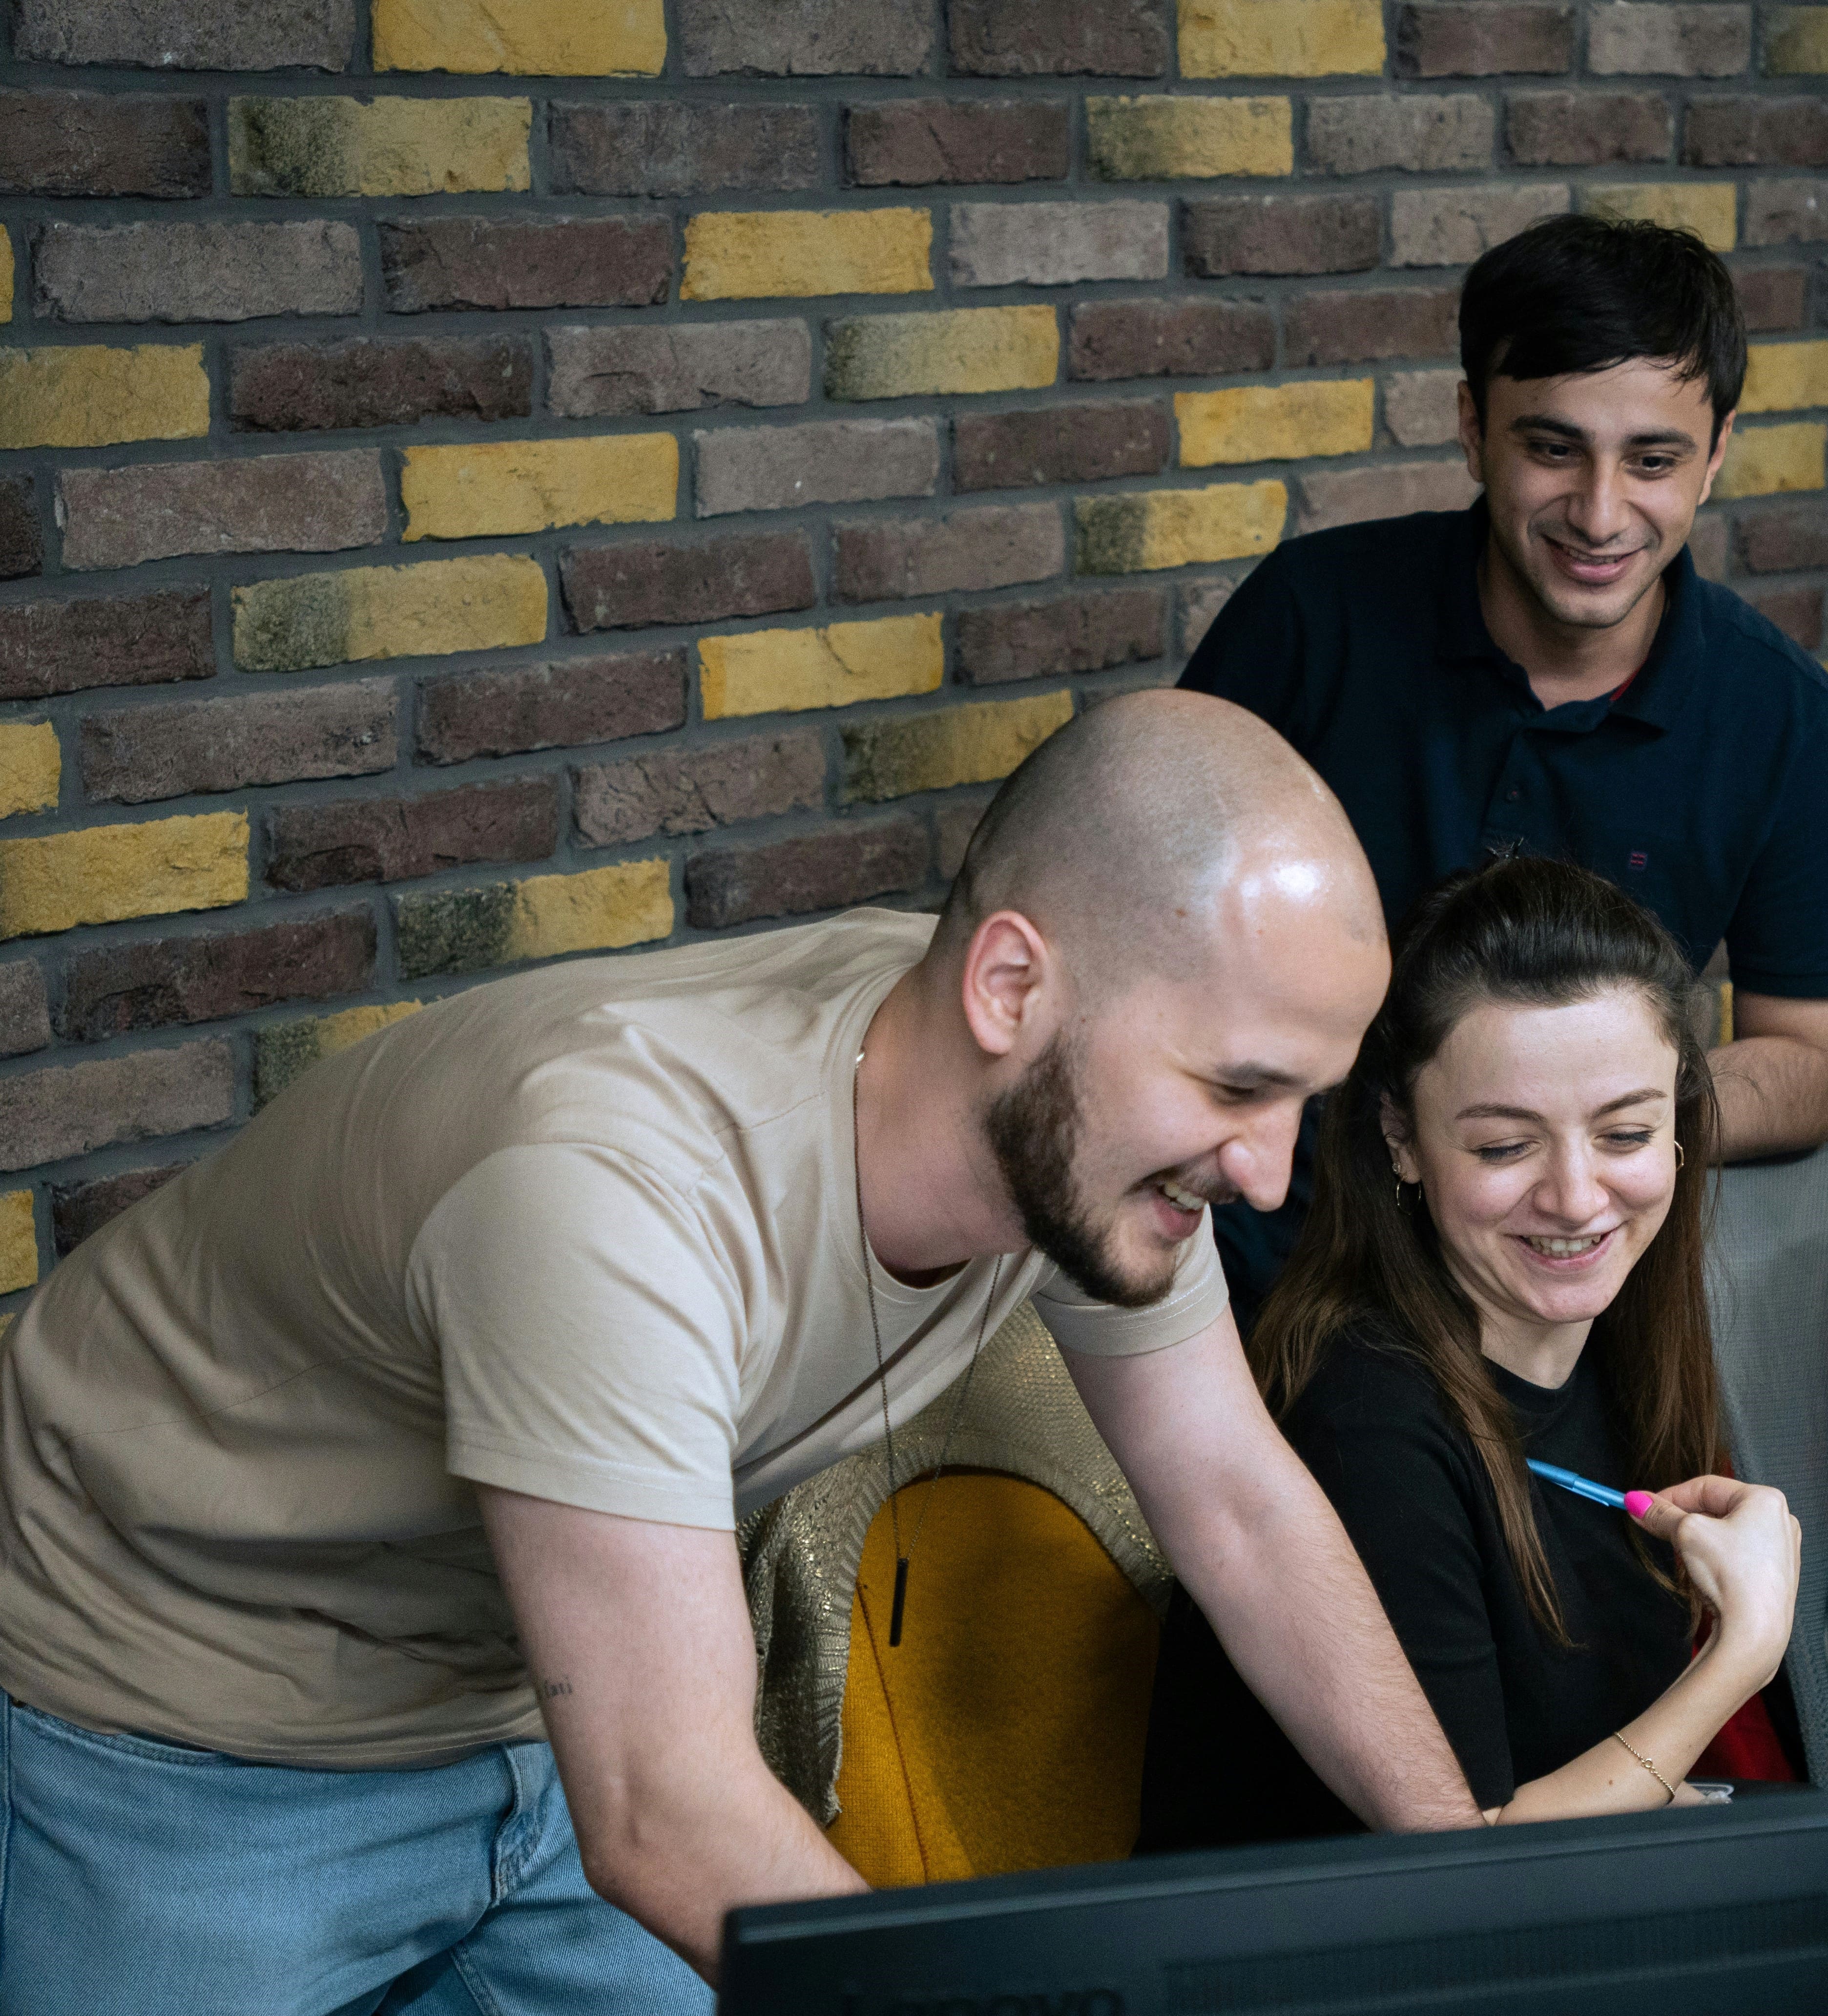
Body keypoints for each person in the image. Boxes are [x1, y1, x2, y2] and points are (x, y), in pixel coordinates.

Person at [0, 693, 1482, 2009]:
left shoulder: (1066, 1128)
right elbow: (668, 1812)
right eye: (1236, 1088)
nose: (1271, 1175)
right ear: (1010, 988)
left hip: (541, 1702)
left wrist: (1474, 1889)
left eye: (1303, 1101)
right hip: (185, 1720)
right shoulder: (613, 1195)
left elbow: (1236, 1501)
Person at [1179, 212, 1828, 1316]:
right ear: (1474, 428)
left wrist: (1581, 1127)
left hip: (1553, 1301)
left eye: (1653, 460)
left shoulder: (1784, 719)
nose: (1600, 515)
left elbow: (1817, 1060)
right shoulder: (1311, 620)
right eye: (1553, 449)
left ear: (1716, 456)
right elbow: (1150, 945)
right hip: (1250, 1265)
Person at [1140, 856, 1801, 1845]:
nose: (1576, 1198)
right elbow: (1474, 1865)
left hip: (1581, 1902)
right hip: (1381, 1932)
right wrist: (1741, 1653)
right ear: (1401, 1139)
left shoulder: (1626, 1339)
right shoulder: (1363, 1427)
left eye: (1625, 1134)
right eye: (1505, 1147)